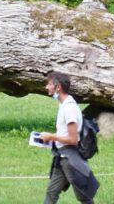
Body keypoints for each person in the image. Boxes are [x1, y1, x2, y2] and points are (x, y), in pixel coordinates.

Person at [37, 71, 99, 204]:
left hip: (70, 160)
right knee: (52, 192)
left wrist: (51, 137)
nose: (46, 87)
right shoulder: (63, 105)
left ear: (58, 87)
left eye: (49, 84)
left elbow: (73, 139)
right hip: (62, 157)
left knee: (84, 197)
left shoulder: (69, 108)